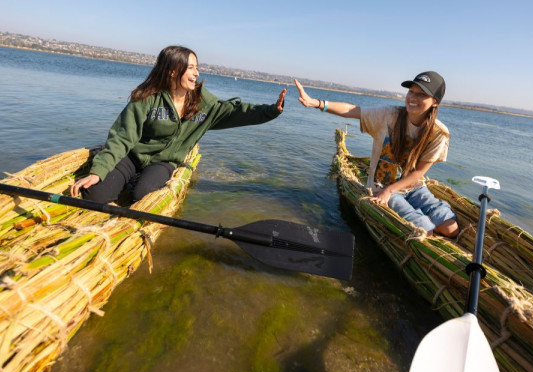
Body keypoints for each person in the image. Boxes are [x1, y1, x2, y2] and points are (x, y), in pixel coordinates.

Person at [71, 45, 287, 203]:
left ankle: (138, 182)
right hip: (133, 156)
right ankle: (121, 176)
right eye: (191, 68)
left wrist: (272, 110)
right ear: (173, 71)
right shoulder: (147, 98)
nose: (197, 73)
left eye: (197, 67)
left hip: (163, 162)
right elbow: (121, 137)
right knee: (95, 195)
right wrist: (98, 172)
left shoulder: (203, 101)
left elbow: (235, 112)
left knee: (143, 197)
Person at [294, 72, 459, 237]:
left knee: (451, 230)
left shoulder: (439, 133)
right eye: (411, 92)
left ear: (435, 102)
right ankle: (422, 219)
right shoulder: (389, 115)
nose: (413, 98)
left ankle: (430, 214)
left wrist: (393, 190)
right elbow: (353, 110)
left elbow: (419, 173)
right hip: (381, 187)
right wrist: (316, 103)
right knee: (426, 231)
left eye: (422, 94)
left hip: (414, 188)